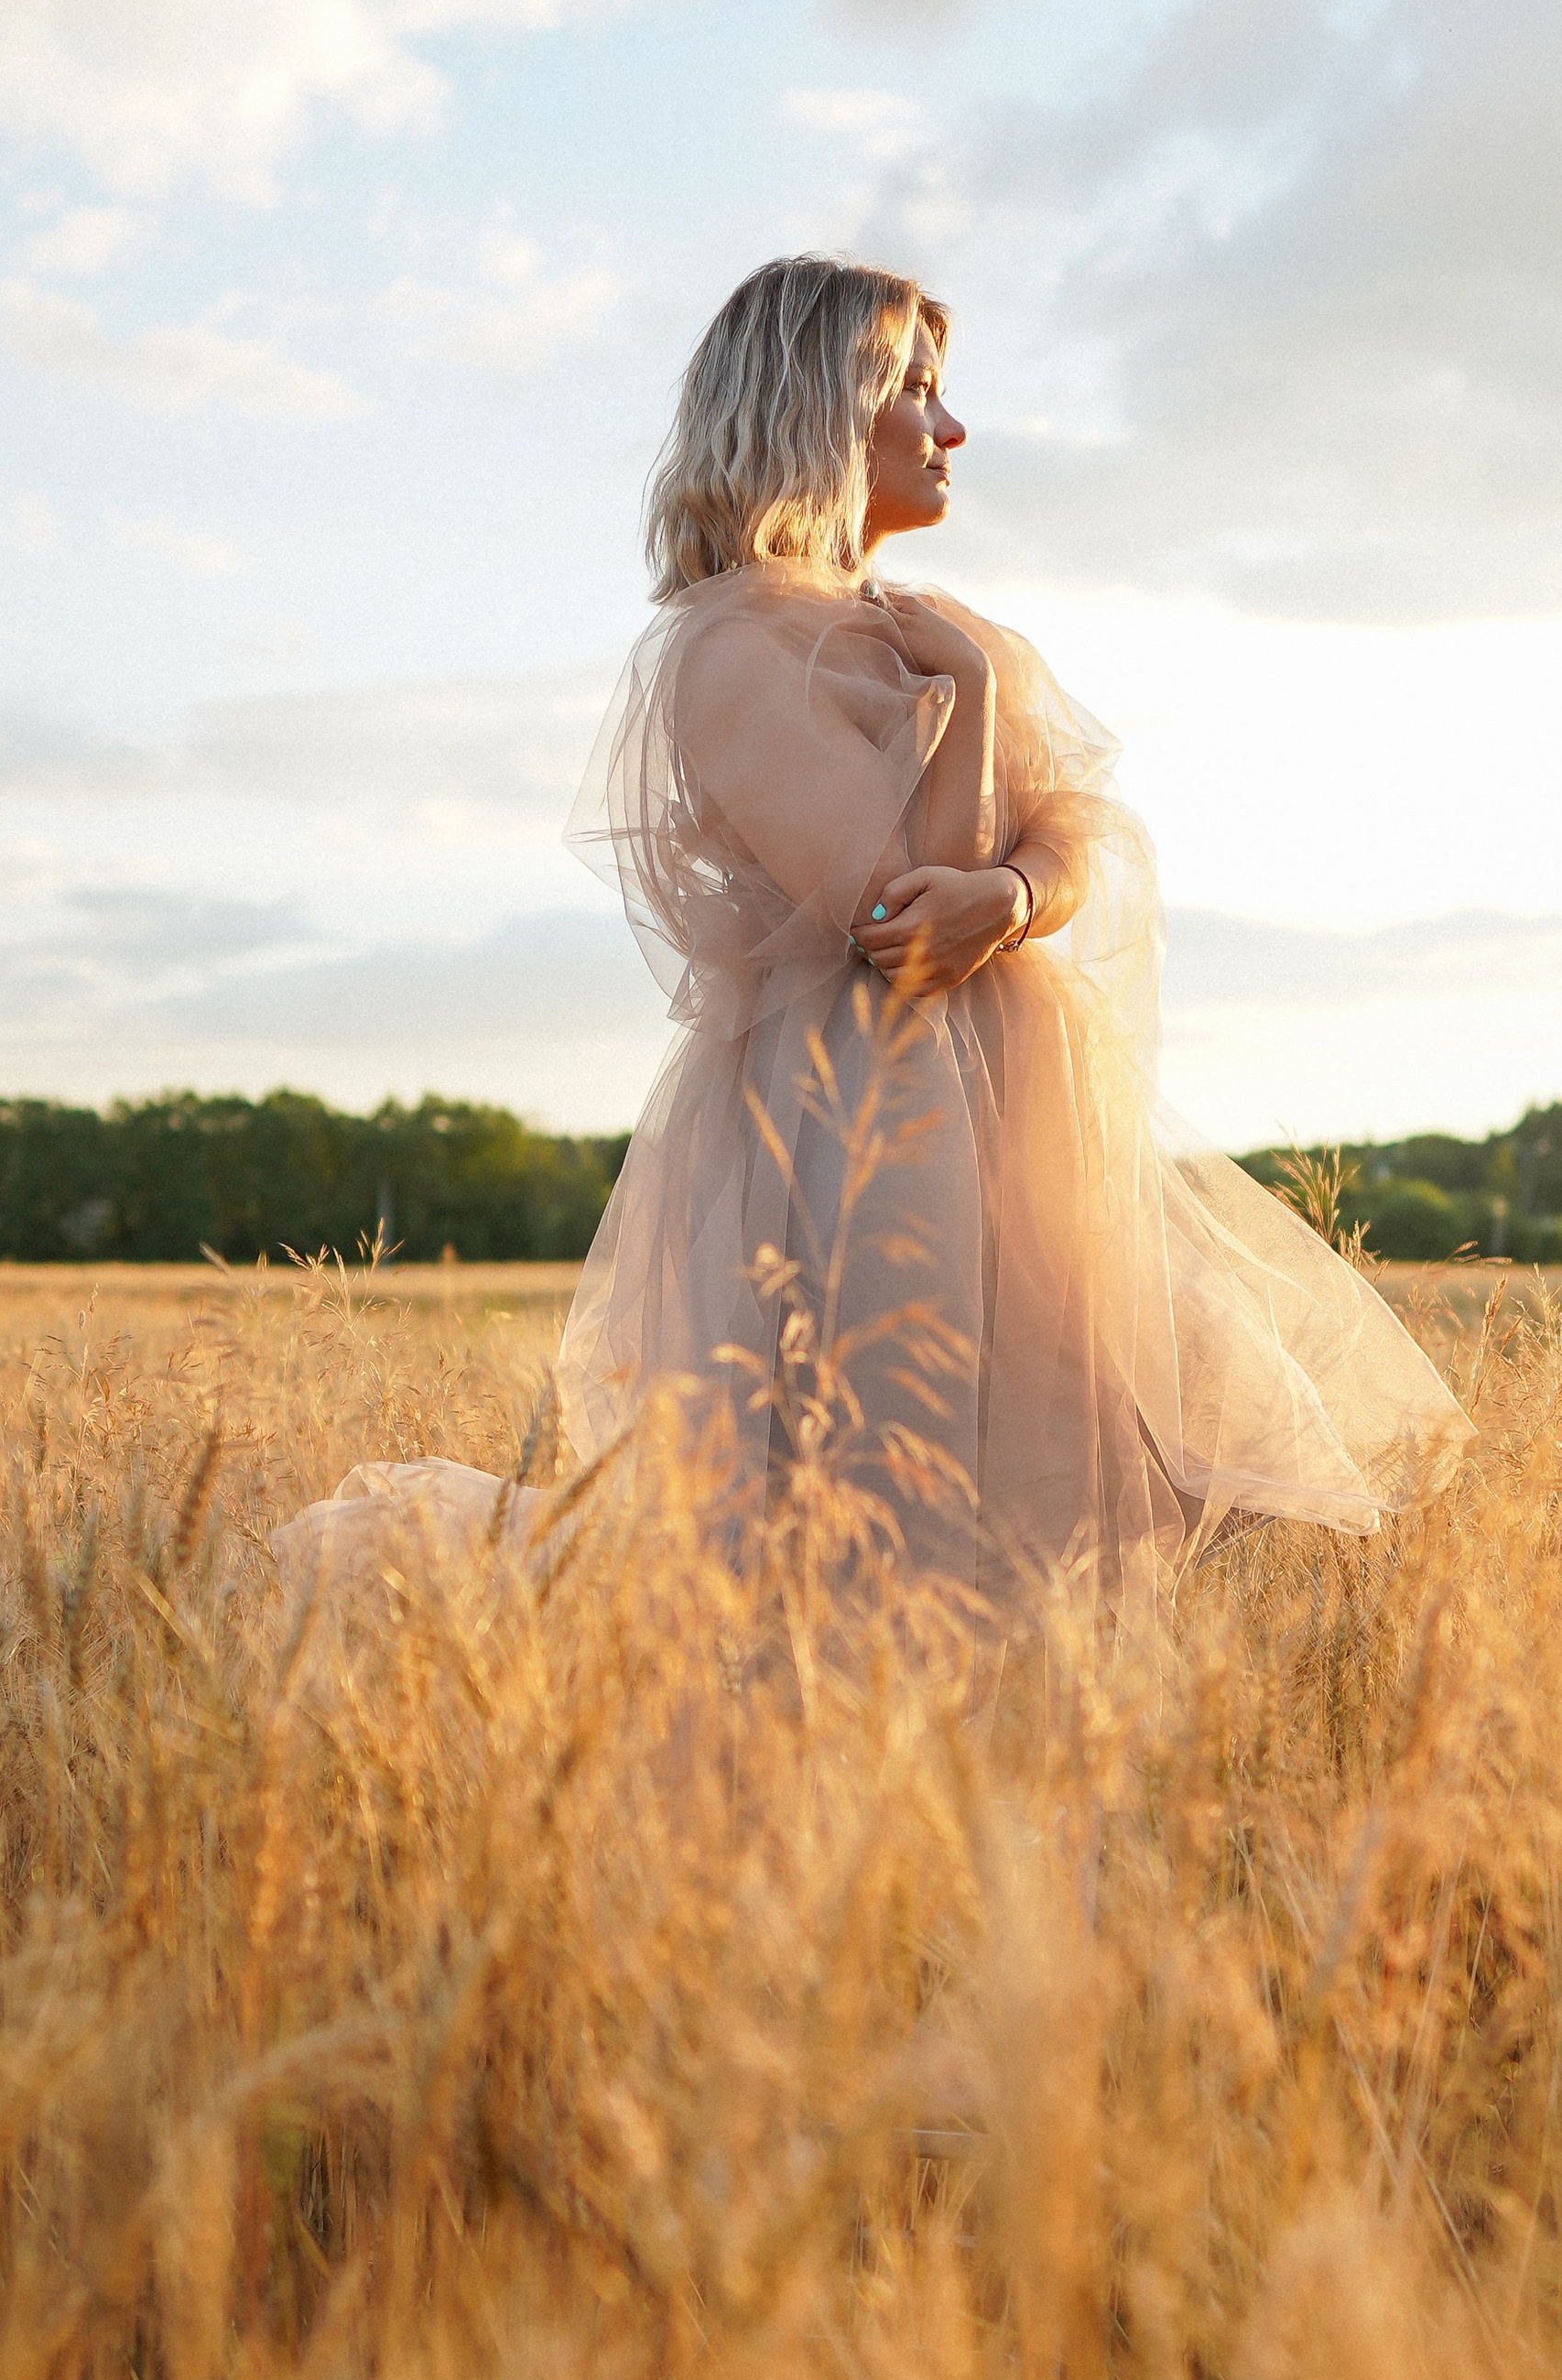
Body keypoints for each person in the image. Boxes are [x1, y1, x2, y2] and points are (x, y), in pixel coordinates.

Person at [277, 255, 1469, 1610]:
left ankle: (1004, 1801)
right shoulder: (732, 652)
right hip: (862, 1130)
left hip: (1021, 1121)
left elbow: (1086, 831)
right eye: (915, 391)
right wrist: (963, 742)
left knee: (1144, 1472)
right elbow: (905, 917)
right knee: (865, 1530)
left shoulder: (949, 631)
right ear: (820, 411)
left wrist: (1021, 889)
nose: (951, 430)